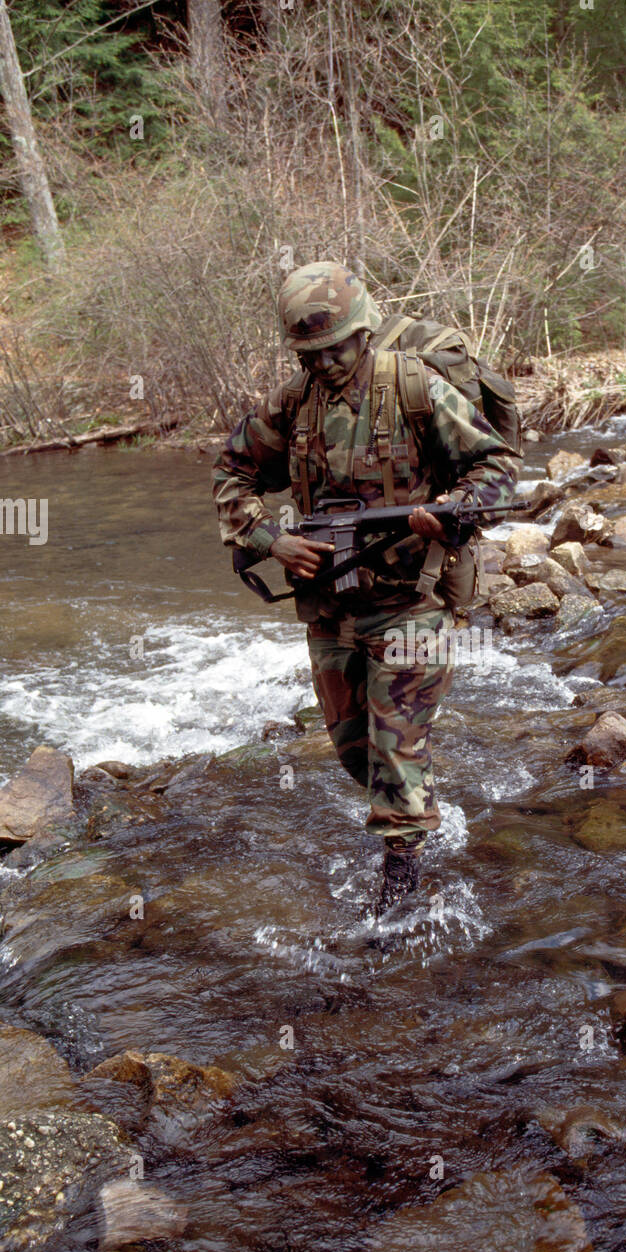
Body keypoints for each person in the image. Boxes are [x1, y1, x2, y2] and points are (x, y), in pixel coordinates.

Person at [212, 262, 519, 914]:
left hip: (412, 599)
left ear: (364, 332)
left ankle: (400, 897)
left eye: (335, 350)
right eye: (309, 354)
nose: (323, 364)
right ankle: (415, 807)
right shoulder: (291, 404)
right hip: (330, 606)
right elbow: (231, 473)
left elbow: (495, 466)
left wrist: (454, 510)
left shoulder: (416, 388)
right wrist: (270, 540)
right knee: (356, 752)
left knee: (395, 746)